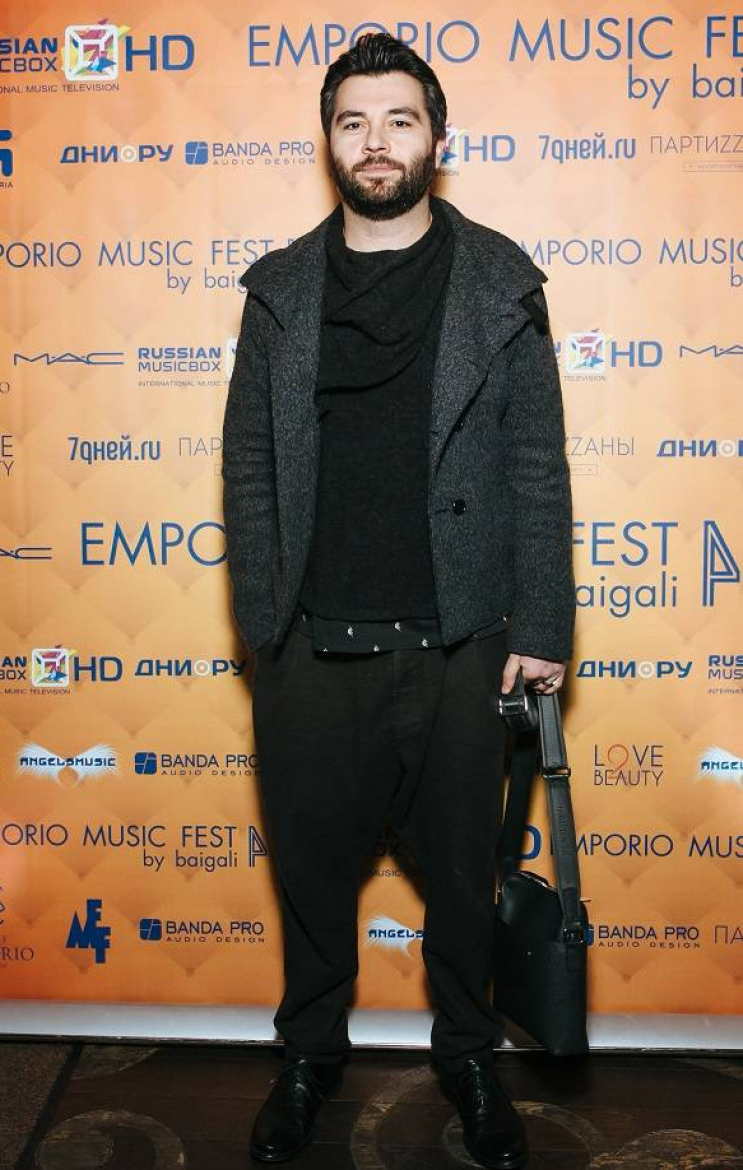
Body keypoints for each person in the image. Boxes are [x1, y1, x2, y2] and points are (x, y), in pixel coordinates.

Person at [223, 32, 574, 1170]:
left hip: (462, 645)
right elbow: (248, 466)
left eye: (399, 120)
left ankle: (469, 1058)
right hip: (310, 647)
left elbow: (536, 465)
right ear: (329, 141)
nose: (376, 142)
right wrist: (264, 628)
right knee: (312, 882)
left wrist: (541, 626)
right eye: (354, 122)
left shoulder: (502, 283)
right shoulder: (278, 290)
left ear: (437, 137)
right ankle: (308, 1058)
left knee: (464, 885)